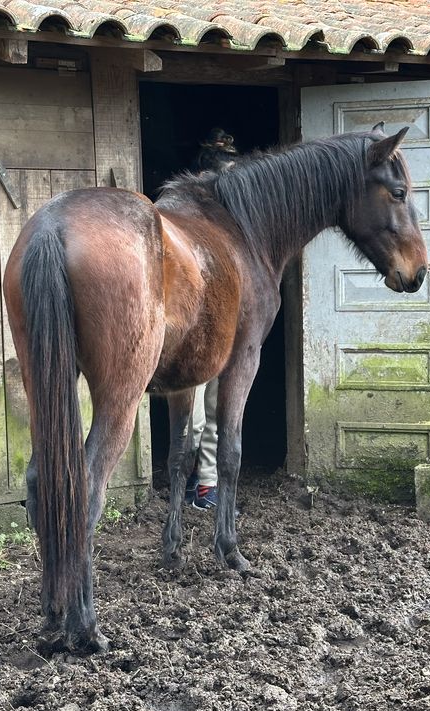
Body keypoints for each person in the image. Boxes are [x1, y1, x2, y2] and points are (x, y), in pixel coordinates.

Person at [185, 128, 237, 510]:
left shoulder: (235, 228)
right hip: (190, 332)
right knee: (195, 417)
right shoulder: (183, 220)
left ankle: (205, 485)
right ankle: (185, 478)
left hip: (222, 327)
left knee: (216, 410)